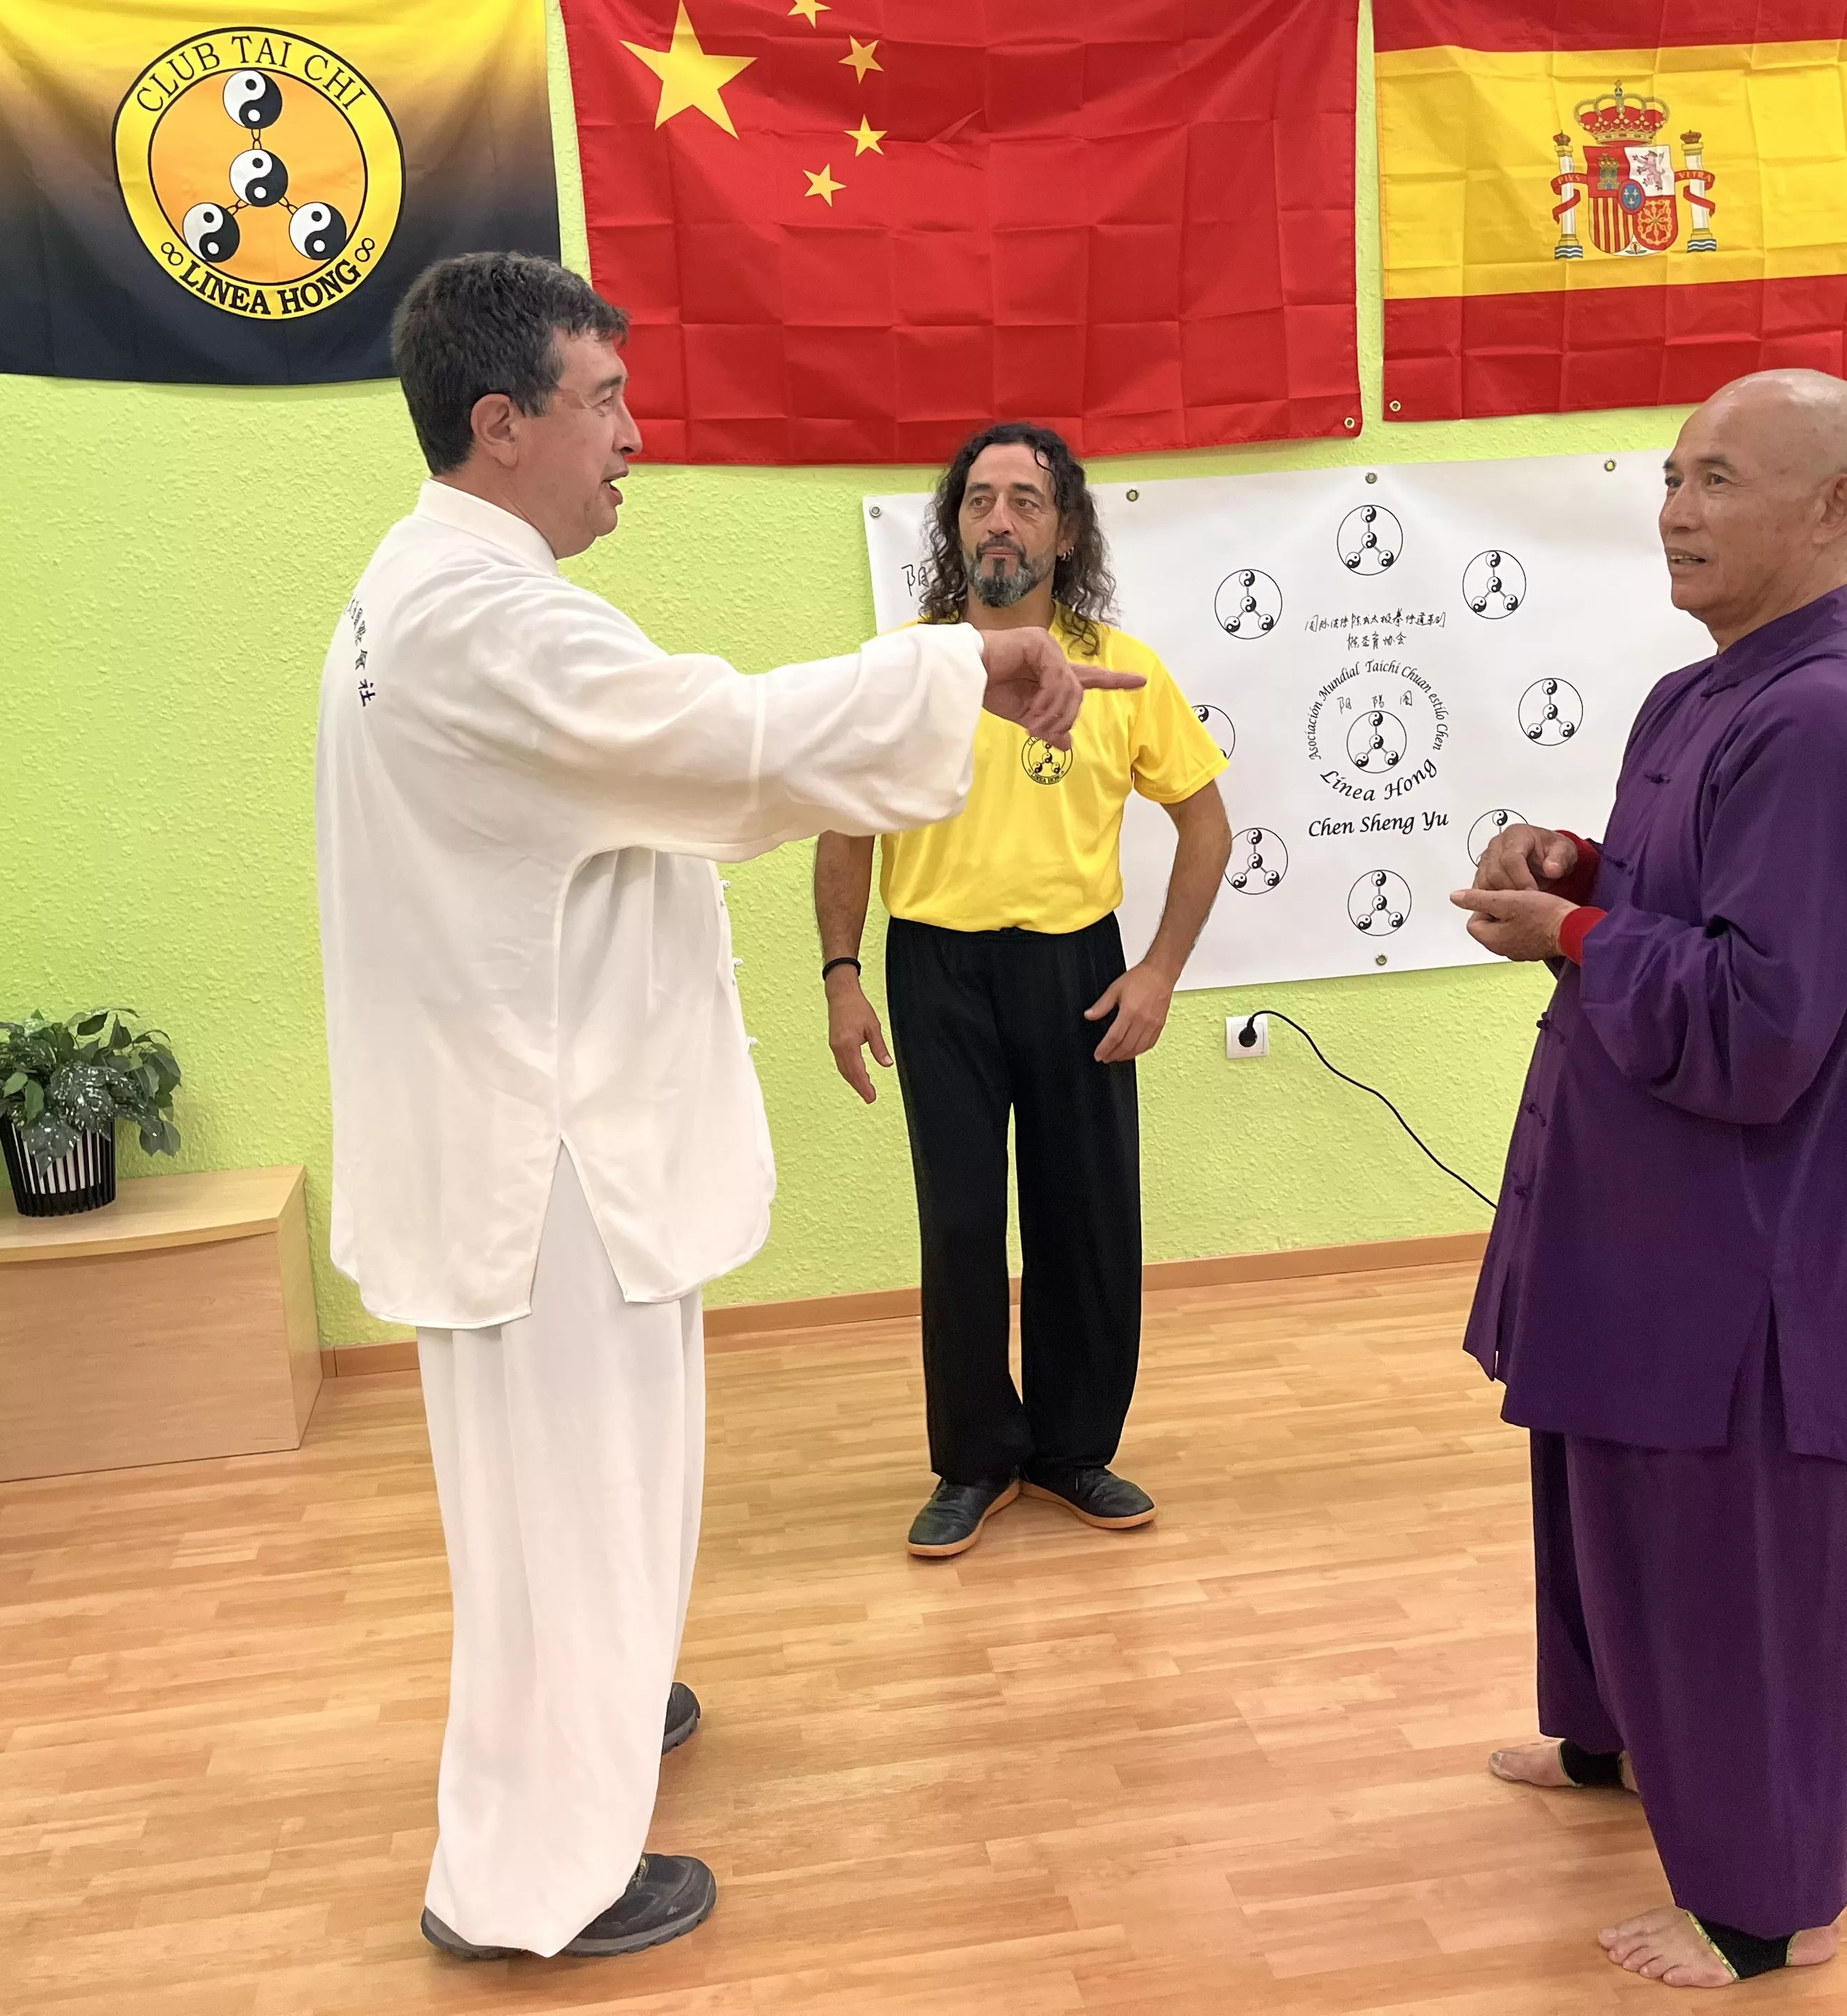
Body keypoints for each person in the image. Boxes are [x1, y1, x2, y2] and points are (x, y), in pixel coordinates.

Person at [315, 255, 1138, 1963]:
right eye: (605, 401)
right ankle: (534, 1879)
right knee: (569, 1506)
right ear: (501, 423)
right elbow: (727, 743)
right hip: (547, 1155)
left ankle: (603, 1714)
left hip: (520, 1131)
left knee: (566, 1506)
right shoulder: (489, 621)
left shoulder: (425, 584)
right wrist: (967, 669)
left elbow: (683, 756)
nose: (634, 436)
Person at [1447, 370, 1847, 1990]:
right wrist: (1574, 869)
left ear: (1836, 507)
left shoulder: (1823, 720)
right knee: (1599, 1486)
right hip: (1635, 1201)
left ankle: (1766, 1902)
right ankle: (1613, 1740)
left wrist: (1576, 930)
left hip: (1740, 1238)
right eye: (1670, 476)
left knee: (1732, 1563)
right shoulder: (1695, 697)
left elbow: (1764, 1017)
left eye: (1719, 479)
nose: (1675, 511)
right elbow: (1680, 904)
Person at [813, 423, 1231, 1559]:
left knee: (1083, 1216)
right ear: (953, 528)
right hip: (936, 968)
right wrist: (843, 975)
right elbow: (845, 831)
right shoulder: (903, 666)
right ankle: (973, 1461)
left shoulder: (1122, 670)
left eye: (1027, 501)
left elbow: (1205, 826)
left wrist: (1156, 972)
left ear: (1067, 531)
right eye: (979, 500)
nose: (1000, 520)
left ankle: (1070, 1450)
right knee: (958, 1224)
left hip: (1075, 970)